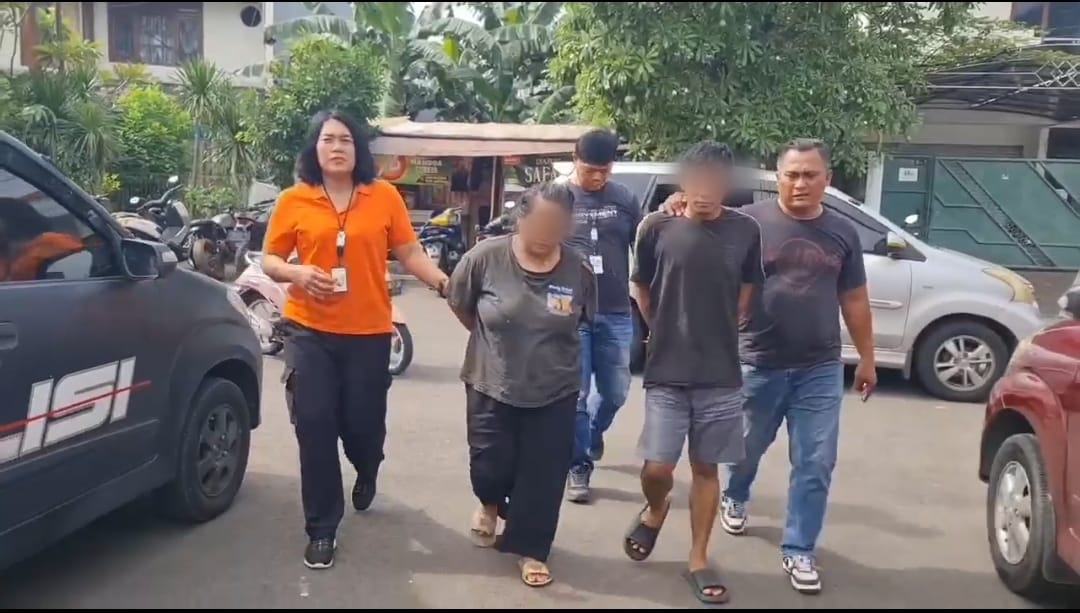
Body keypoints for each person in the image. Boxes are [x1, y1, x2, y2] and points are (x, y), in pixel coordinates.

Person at [661, 138, 877, 595]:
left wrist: (867, 359)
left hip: (820, 366)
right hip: (756, 361)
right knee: (744, 449)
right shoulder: (746, 224)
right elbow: (696, 218)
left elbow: (855, 298)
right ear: (777, 177)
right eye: (792, 174)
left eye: (810, 175)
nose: (800, 183)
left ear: (827, 179)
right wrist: (675, 202)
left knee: (815, 461)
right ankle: (736, 495)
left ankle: (799, 548)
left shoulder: (842, 232)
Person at [261, 109, 450, 570]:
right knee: (314, 424)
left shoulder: (383, 195)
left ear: (358, 149)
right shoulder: (293, 199)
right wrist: (296, 273)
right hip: (308, 329)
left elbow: (408, 250)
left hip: (368, 332)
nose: (337, 147)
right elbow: (270, 259)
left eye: (345, 139)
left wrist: (444, 282)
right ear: (315, 148)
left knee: (363, 425)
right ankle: (322, 528)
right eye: (328, 139)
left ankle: (367, 467)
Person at [622, 141, 762, 605]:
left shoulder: (745, 231)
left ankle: (698, 558)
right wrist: (660, 327)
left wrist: (721, 327)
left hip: (720, 372)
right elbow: (641, 285)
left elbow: (747, 290)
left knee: (706, 466)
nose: (704, 188)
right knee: (658, 466)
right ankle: (656, 507)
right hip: (667, 368)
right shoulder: (656, 226)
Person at [446, 181, 597, 588]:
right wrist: (492, 341)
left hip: (555, 387)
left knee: (543, 474)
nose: (548, 232)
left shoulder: (578, 269)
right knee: (489, 465)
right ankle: (490, 503)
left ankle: (531, 548)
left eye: (557, 224)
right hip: (491, 380)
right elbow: (460, 303)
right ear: (521, 219)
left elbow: (582, 321)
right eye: (541, 222)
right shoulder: (485, 258)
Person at [563, 128, 642, 503]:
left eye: (604, 170)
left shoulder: (624, 199)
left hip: (615, 310)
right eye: (590, 169)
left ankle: (592, 434)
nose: (597, 177)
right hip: (571, 313)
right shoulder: (558, 199)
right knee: (576, 396)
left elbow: (645, 245)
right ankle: (578, 465)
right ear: (575, 160)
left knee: (615, 392)